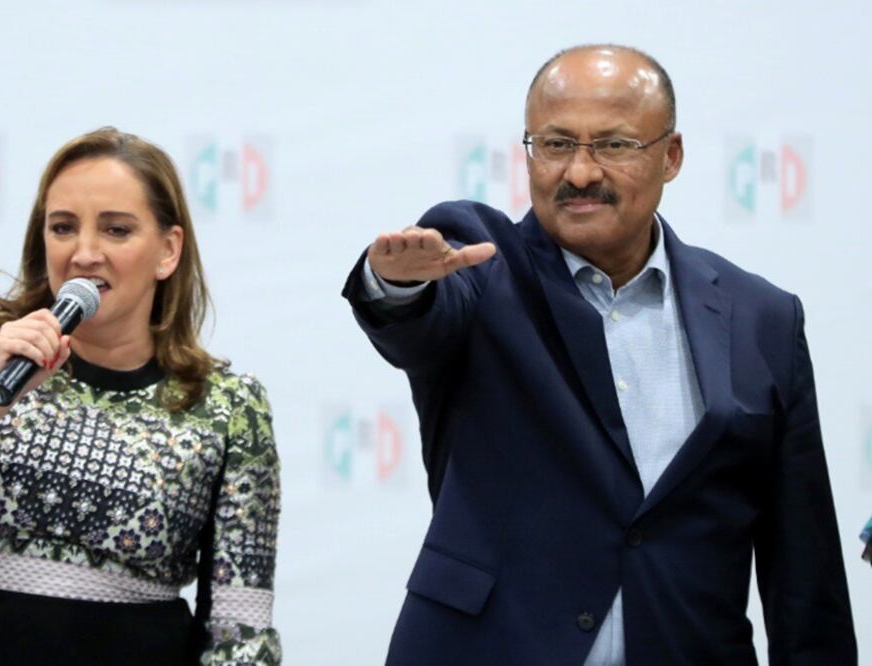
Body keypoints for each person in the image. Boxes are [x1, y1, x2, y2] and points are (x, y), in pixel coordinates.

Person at [342, 45, 856, 665]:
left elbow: (805, 571)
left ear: (671, 156)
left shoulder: (762, 319)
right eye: (555, 145)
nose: (580, 173)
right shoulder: (481, 265)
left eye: (613, 146)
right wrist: (397, 285)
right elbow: (421, 320)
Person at [0, 127, 282, 665]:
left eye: (116, 230)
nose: (84, 253)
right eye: (62, 227)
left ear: (168, 251)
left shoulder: (228, 407)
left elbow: (240, 630)